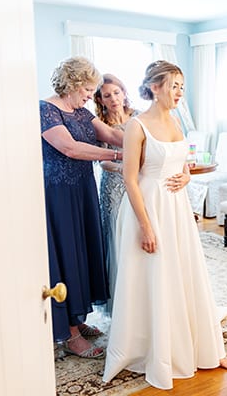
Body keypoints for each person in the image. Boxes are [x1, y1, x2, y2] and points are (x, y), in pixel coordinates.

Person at [103, 60, 227, 389]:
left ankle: (202, 346)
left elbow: (186, 165)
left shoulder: (176, 122)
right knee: (154, 277)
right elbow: (131, 180)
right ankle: (155, 350)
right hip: (148, 208)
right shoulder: (137, 126)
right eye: (173, 86)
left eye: (181, 87)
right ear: (155, 87)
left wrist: (186, 177)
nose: (179, 93)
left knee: (184, 272)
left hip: (175, 208)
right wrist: (146, 227)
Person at [39, 57, 125, 359]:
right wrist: (116, 157)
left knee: (86, 252)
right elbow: (70, 148)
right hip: (59, 194)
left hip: (84, 189)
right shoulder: (46, 110)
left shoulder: (81, 111)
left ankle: (80, 319)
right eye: (88, 89)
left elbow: (113, 135)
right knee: (68, 255)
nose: (92, 95)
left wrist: (147, 143)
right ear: (73, 84)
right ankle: (70, 334)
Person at [93, 73, 138, 315]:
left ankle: (140, 292)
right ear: (100, 100)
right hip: (113, 185)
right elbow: (102, 160)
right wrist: (123, 167)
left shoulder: (138, 117)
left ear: (124, 92)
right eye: (107, 95)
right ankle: (121, 302)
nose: (113, 99)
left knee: (136, 232)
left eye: (117, 93)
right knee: (116, 237)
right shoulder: (101, 125)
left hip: (138, 184)